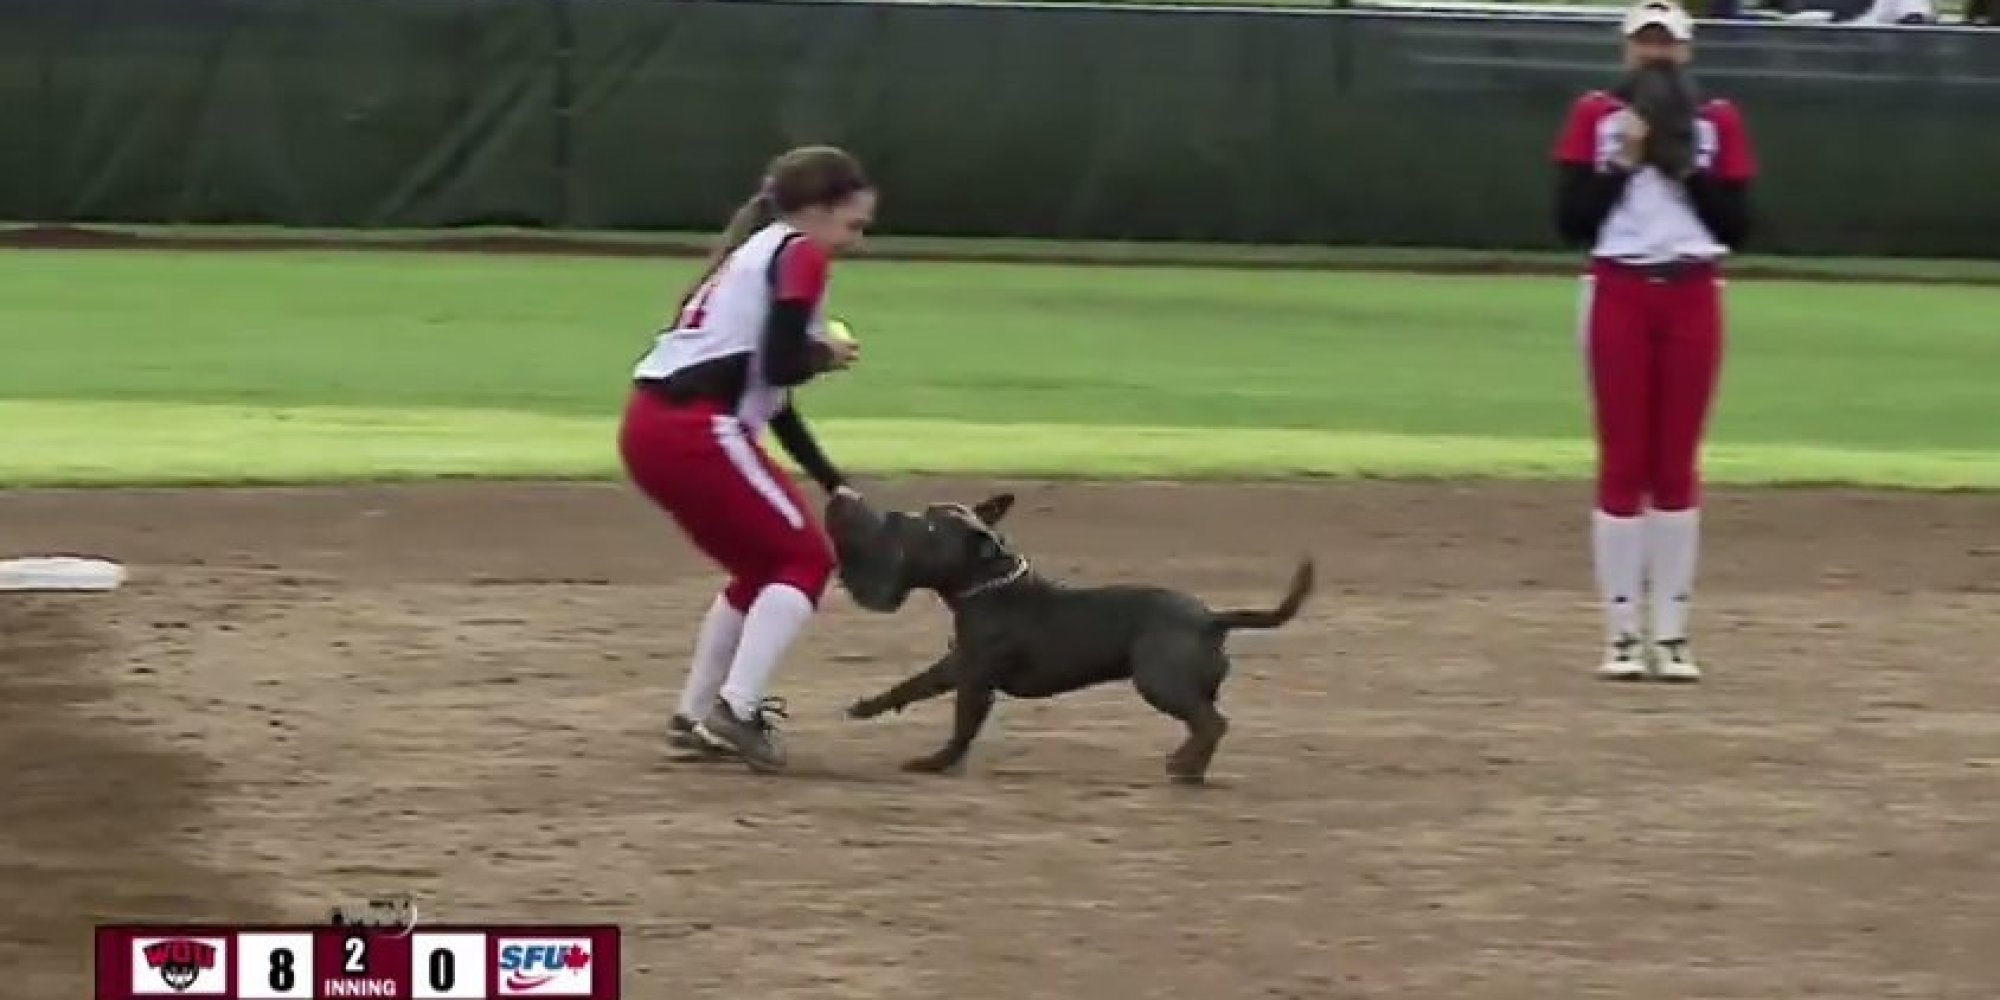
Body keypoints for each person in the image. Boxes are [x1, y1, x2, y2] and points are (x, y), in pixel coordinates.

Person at [619, 145, 873, 768]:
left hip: (652, 427)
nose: (857, 240)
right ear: (815, 210)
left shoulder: (755, 254)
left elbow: (771, 396)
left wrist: (830, 480)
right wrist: (825, 356)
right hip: (696, 431)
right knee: (806, 561)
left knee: (764, 569)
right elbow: (786, 365)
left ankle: (696, 715)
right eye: (853, 224)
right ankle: (736, 708)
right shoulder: (801, 254)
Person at [1551, 0, 1757, 683]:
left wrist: (1684, 165)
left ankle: (1671, 633)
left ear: (1686, 53)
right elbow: (1570, 219)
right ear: (1625, 51)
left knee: (1676, 464)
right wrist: (1622, 160)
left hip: (1694, 289)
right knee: (1623, 459)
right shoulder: (1596, 116)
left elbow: (1740, 223)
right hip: (1619, 288)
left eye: (1666, 45)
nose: (1655, 56)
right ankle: (1619, 633)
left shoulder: (1716, 122)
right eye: (1644, 44)